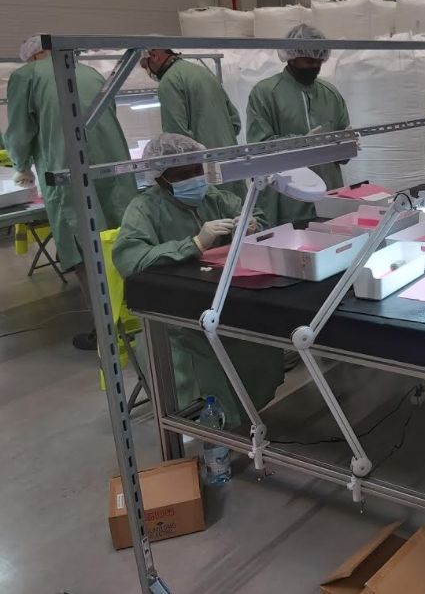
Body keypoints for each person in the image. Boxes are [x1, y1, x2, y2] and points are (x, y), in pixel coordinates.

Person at [112, 133, 285, 426]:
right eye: (183, 174)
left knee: (260, 339)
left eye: (197, 170)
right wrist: (194, 243)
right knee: (205, 360)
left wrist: (255, 224)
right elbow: (130, 259)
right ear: (161, 178)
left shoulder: (216, 198)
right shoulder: (144, 209)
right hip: (176, 315)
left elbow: (257, 217)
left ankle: (246, 416)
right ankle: (213, 424)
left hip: (224, 297)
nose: (194, 178)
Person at [3, 34, 139, 350]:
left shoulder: (26, 76)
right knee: (122, 245)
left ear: (32, 57)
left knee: (88, 253)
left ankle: (109, 334)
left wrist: (21, 166)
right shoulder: (88, 71)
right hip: (112, 170)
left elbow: (21, 130)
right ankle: (142, 320)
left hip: (69, 173)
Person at [246, 23, 351, 226]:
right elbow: (259, 147)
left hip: (329, 197)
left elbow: (342, 139)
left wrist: (347, 146)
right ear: (291, 57)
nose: (314, 67)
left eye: (318, 61)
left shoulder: (330, 93)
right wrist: (300, 143)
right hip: (287, 200)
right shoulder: (266, 93)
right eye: (308, 61)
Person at [140, 48, 246, 198]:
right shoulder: (204, 73)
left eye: (145, 66)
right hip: (232, 163)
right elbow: (235, 122)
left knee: (217, 214)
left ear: (154, 55)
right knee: (239, 211)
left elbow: (177, 141)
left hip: (203, 171)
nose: (147, 71)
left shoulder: (169, 81)